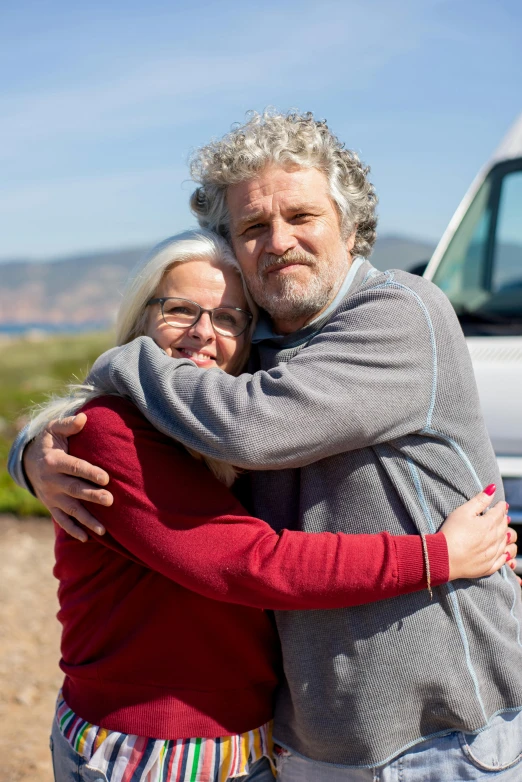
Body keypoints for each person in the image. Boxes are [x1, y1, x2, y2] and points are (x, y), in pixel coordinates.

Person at [10, 111, 522, 780]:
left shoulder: (401, 313)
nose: (279, 241)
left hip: (438, 737)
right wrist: (33, 447)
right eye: (253, 227)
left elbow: (254, 429)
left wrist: (123, 360)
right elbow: (158, 439)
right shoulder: (248, 356)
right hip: (309, 735)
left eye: (301, 216)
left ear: (349, 223)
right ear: (232, 247)